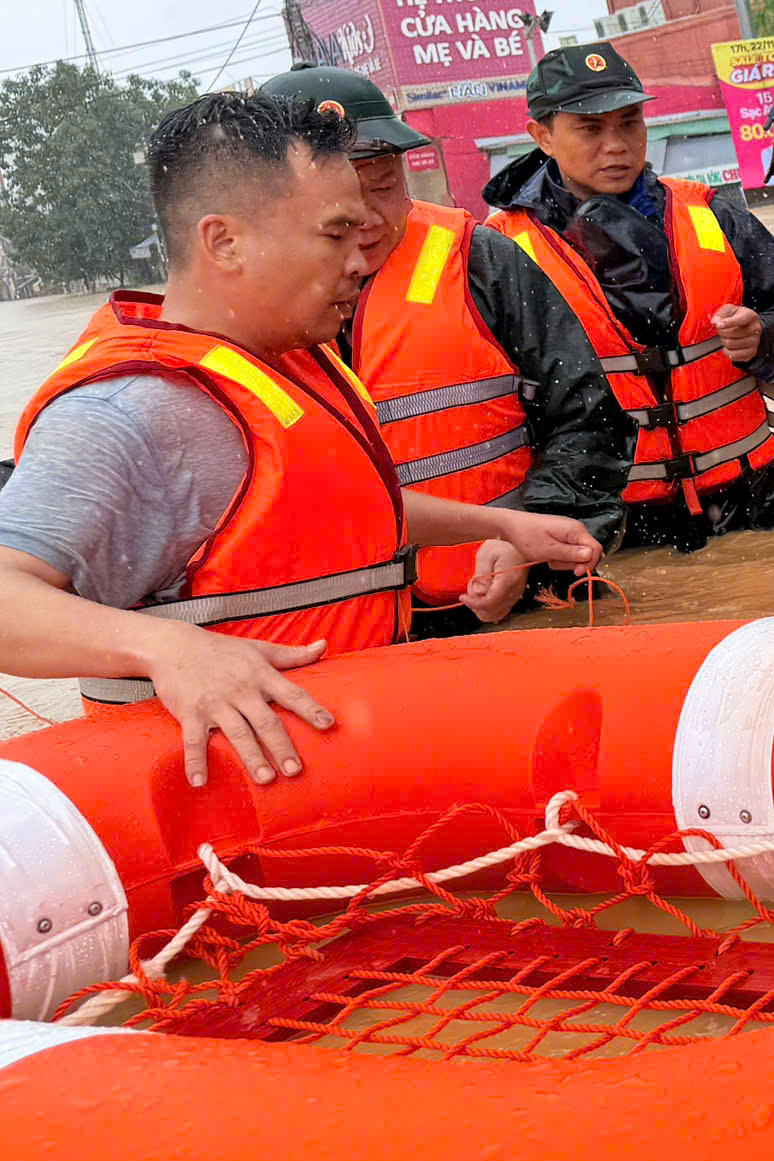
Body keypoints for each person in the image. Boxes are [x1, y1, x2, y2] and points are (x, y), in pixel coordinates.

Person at [0, 92, 599, 787]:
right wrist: (168, 649)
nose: (362, 257)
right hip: (238, 812)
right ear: (223, 241)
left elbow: (328, 513)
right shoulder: (132, 409)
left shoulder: (290, 360)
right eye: (335, 232)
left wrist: (500, 524)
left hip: (360, 771)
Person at [257, 64, 633, 634]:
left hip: (512, 609)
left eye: (383, 185)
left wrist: (531, 532)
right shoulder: (239, 320)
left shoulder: (480, 261)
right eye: (337, 198)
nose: (366, 217)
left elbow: (588, 420)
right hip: (349, 639)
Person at [481, 42, 774, 551]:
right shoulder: (501, 252)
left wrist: (765, 336)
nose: (616, 145)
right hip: (614, 527)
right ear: (542, 137)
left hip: (751, 502)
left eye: (629, 122)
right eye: (590, 129)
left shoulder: (713, 214)